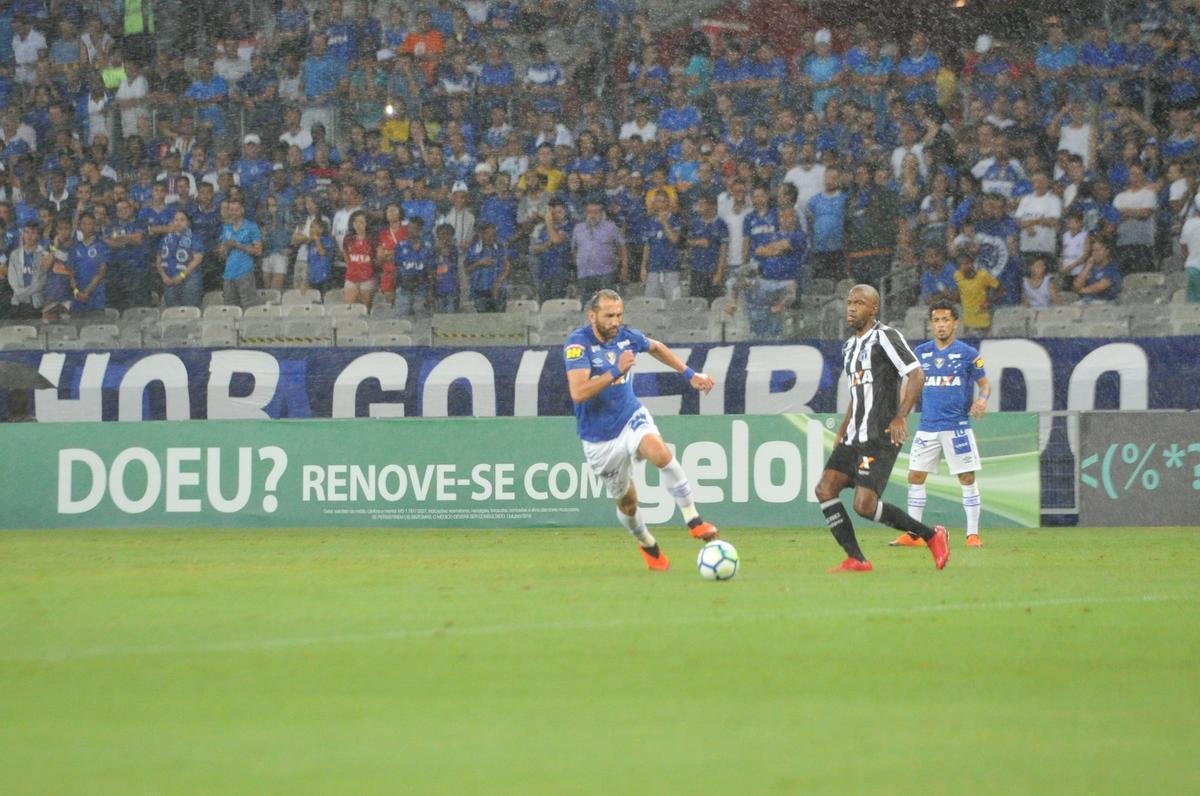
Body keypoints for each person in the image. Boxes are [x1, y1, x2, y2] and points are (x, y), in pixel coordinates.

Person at [563, 288, 720, 570]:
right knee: (628, 504)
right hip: (599, 439)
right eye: (608, 316)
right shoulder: (578, 344)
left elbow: (656, 347)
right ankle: (647, 543)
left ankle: (694, 520)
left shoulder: (627, 337)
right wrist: (616, 371)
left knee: (660, 453)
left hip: (630, 415)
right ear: (592, 316)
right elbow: (578, 392)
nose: (615, 321)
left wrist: (690, 374)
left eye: (619, 315)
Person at [812, 284, 950, 572]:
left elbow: (916, 373)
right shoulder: (849, 347)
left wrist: (902, 415)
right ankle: (857, 559)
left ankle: (931, 535)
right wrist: (845, 425)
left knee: (864, 505)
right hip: (854, 435)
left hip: (880, 435)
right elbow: (858, 391)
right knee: (825, 489)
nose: (851, 307)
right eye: (849, 302)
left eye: (859, 303)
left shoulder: (885, 337)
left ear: (873, 308)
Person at [892, 300, 991, 549]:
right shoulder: (921, 353)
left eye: (945, 319)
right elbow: (909, 384)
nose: (941, 325)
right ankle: (914, 534)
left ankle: (972, 534)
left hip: (957, 426)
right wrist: (902, 414)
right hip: (928, 427)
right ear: (931, 324)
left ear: (955, 323)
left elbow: (985, 385)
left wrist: (982, 400)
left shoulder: (969, 354)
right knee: (915, 475)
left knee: (966, 477)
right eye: (936, 320)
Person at [218, 197, 262, 308]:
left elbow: (258, 251)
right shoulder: (226, 228)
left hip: (245, 273)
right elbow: (223, 254)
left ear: (242, 210)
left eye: (236, 210)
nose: (233, 213)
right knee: (229, 309)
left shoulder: (251, 226)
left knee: (249, 307)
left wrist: (238, 245)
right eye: (230, 210)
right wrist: (223, 250)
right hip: (228, 274)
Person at [156, 209, 203, 307]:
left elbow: (198, 259)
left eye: (182, 220)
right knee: (172, 313)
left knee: (189, 311)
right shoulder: (165, 239)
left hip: (189, 280)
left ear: (188, 223)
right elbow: (158, 260)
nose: (178, 223)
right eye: (176, 220)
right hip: (169, 280)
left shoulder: (194, 239)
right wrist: (163, 276)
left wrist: (182, 275)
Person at [342, 209, 376, 308]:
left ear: (367, 224)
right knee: (349, 308)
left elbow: (375, 258)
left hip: (368, 277)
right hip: (351, 277)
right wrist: (353, 267)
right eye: (356, 222)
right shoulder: (348, 238)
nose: (358, 224)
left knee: (365, 309)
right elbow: (346, 256)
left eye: (361, 222)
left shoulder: (372, 239)